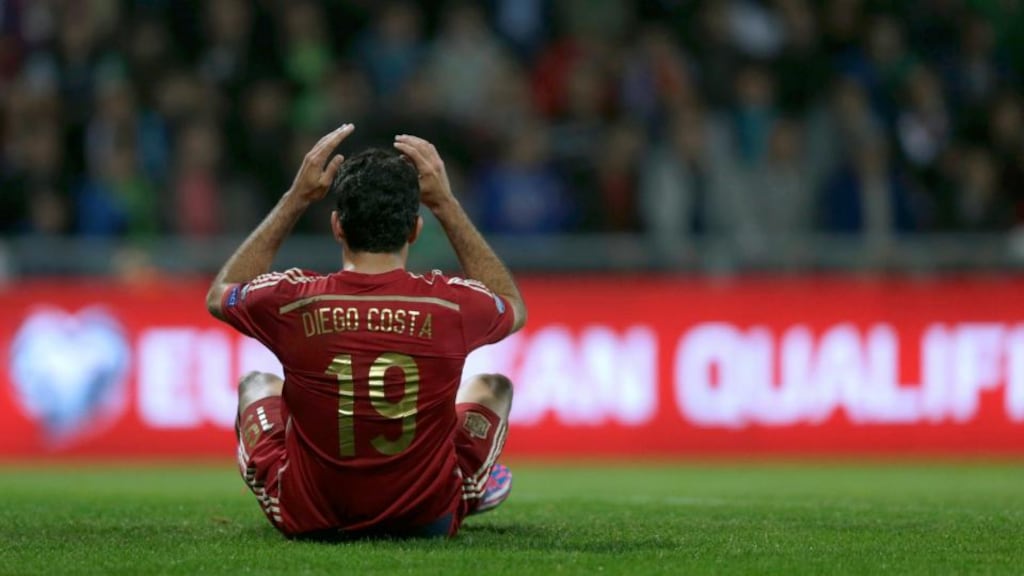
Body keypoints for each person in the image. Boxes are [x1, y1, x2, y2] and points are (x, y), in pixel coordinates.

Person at [205, 124, 527, 539]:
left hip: (310, 518)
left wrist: (295, 198)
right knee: (493, 387)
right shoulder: (451, 304)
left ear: (337, 226)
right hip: (425, 518)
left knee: (256, 384)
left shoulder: (291, 300)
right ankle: (466, 488)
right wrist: (446, 204)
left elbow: (221, 294)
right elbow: (512, 304)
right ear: (415, 229)